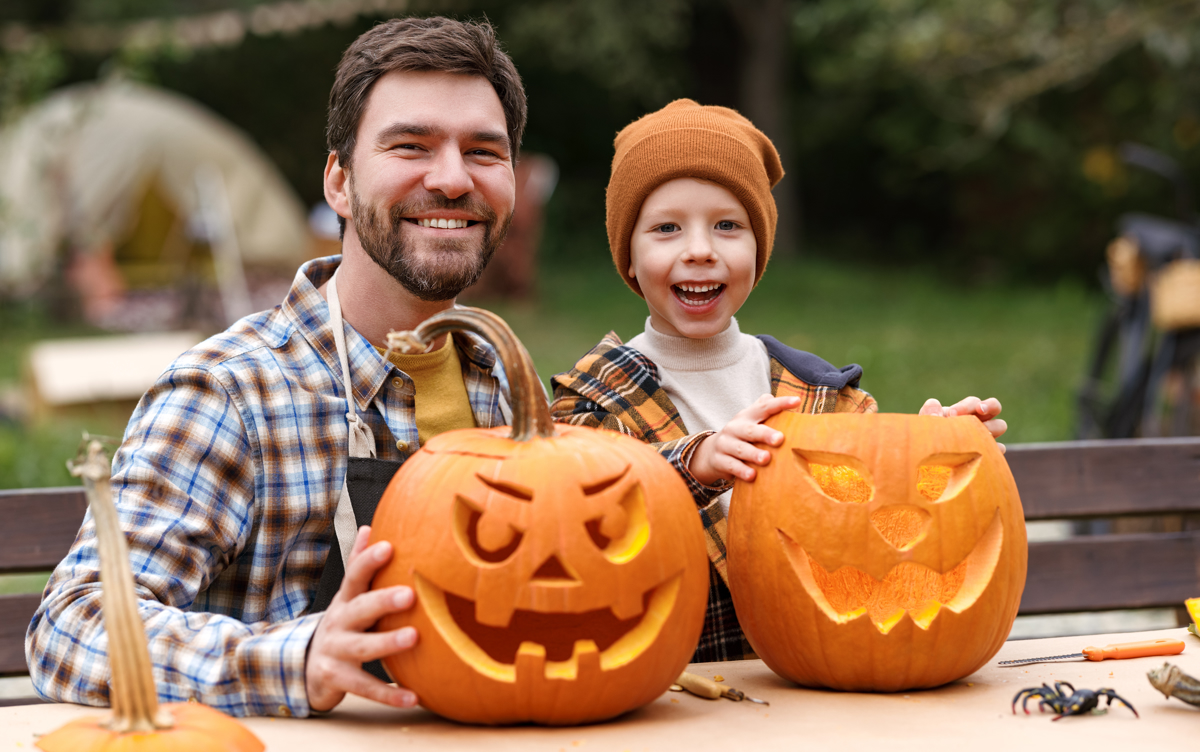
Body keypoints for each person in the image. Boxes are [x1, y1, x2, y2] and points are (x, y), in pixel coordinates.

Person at [27, 16, 526, 718]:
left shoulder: (507, 387)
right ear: (339, 182)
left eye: (483, 151)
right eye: (410, 146)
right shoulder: (231, 392)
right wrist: (298, 657)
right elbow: (71, 629)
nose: (451, 179)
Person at [550, 100, 1006, 662]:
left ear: (758, 248)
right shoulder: (593, 400)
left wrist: (937, 452)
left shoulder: (817, 392)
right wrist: (695, 462)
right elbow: (570, 518)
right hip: (667, 695)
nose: (699, 250)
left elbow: (872, 510)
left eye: (727, 226)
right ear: (630, 255)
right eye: (666, 228)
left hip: (809, 688)